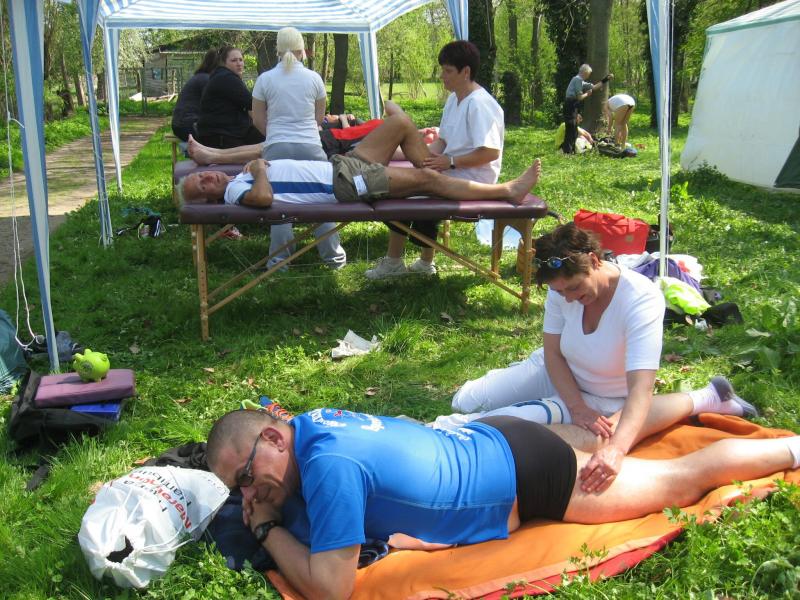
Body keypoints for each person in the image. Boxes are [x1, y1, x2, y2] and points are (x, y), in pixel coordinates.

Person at [206, 407, 800, 600]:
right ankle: (705, 395)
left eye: (247, 477)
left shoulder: (327, 468)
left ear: (275, 437)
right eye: (239, 490)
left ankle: (792, 449)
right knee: (600, 439)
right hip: (491, 437)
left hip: (526, 476)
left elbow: (331, 589)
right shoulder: (311, 424)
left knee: (679, 480)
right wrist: (269, 501)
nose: (249, 494)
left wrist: (265, 529)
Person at [449, 223, 758, 485]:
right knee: (465, 400)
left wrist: (616, 450)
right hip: (555, 370)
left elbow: (641, 388)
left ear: (594, 261)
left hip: (604, 397)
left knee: (507, 428)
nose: (568, 298)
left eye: (574, 288)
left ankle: (707, 397)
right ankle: (523, 390)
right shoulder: (561, 290)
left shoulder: (640, 299)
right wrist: (575, 406)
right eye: (559, 292)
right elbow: (553, 353)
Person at [177, 110, 540, 209]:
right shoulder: (235, 194)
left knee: (399, 122)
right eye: (202, 186)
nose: (207, 178)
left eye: (201, 176)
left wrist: (255, 170)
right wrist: (258, 170)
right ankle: (505, 191)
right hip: (347, 184)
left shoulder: (236, 180)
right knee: (429, 182)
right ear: (209, 199)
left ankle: (432, 169)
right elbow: (263, 199)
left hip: (343, 164)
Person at [364, 40, 504, 280]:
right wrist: (419, 155)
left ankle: (398, 262)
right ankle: (420, 263)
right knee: (401, 182)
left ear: (466, 72)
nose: (442, 76)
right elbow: (443, 142)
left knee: (399, 191)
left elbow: (490, 153)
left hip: (473, 181)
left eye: (447, 71)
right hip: (451, 171)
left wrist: (450, 162)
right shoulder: (454, 99)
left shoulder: (480, 104)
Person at [250, 27, 345, 270]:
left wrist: (275, 135)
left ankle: (279, 261)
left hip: (277, 146)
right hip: (310, 146)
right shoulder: (314, 79)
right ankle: (333, 257)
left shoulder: (264, 79)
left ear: (277, 50)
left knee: (279, 202)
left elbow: (258, 120)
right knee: (322, 199)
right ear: (303, 50)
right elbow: (318, 119)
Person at [195, 47, 264, 149]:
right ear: (224, 63)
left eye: (241, 60)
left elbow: (248, 106)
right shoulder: (226, 77)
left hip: (216, 132)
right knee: (268, 139)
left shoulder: (222, 75)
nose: (239, 63)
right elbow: (252, 103)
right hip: (220, 135)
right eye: (234, 60)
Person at [562, 64, 611, 154]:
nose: (589, 76)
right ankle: (567, 152)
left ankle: (572, 151)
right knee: (571, 128)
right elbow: (580, 97)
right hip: (570, 104)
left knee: (574, 129)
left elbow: (594, 87)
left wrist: (606, 79)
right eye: (589, 74)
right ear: (585, 72)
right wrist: (587, 94)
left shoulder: (581, 81)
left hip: (574, 105)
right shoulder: (577, 79)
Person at [171, 49, 218, 142]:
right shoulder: (206, 79)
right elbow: (214, 106)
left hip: (179, 124)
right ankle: (190, 149)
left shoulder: (200, 77)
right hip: (187, 125)